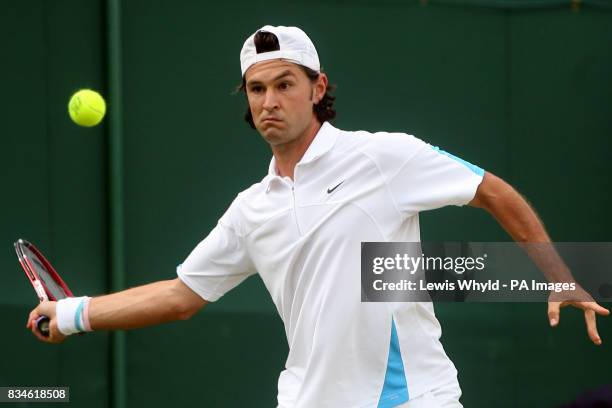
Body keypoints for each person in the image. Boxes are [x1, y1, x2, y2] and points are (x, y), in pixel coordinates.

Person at [27, 25, 609, 408]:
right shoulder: (252, 209)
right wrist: (75, 314)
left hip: (412, 400)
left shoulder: (383, 156)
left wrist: (557, 273)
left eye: (284, 84)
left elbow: (492, 190)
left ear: (317, 87)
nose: (269, 102)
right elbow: (184, 295)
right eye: (256, 90)